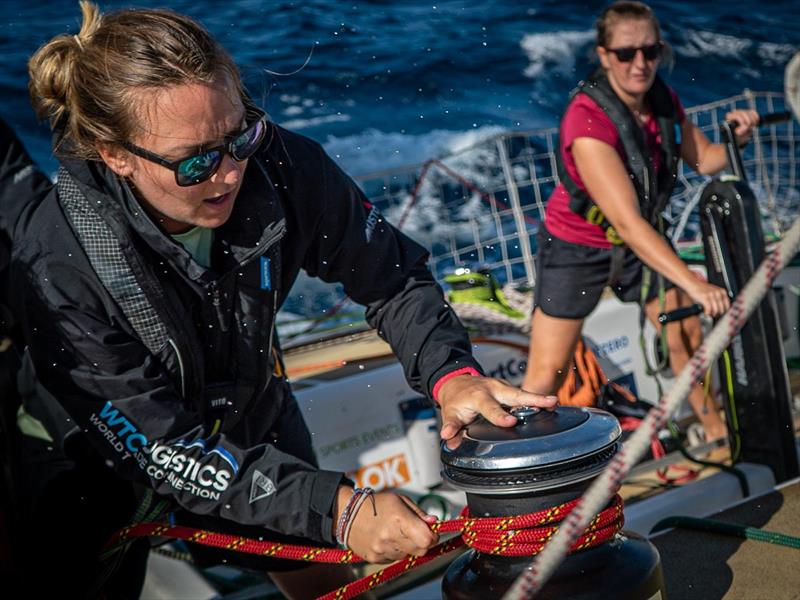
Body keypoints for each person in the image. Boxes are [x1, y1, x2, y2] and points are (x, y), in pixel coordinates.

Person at [11, 2, 557, 598]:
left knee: (326, 580)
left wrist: (452, 374)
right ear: (113, 153)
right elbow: (166, 445)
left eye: (239, 134)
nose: (228, 174)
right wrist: (337, 510)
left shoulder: (281, 167)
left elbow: (392, 277)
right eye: (195, 161)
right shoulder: (60, 265)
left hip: (248, 409)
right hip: (93, 462)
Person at [522, 1, 759, 443]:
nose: (640, 64)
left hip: (640, 246)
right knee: (544, 377)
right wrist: (693, 282)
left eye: (650, 52)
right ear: (604, 54)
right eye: (626, 53)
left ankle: (723, 440)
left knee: (686, 339)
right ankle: (529, 483)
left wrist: (736, 139)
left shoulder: (663, 100)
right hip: (577, 247)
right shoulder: (586, 119)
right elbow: (628, 222)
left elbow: (707, 159)